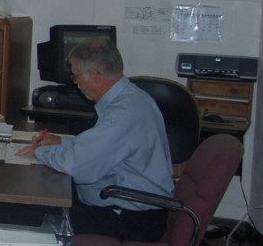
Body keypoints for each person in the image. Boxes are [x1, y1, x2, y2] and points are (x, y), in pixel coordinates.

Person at [17, 38, 173, 241]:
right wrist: (61, 142)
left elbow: (78, 167)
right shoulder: (133, 98)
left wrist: (39, 151)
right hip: (129, 207)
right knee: (42, 203)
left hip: (131, 217)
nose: (76, 83)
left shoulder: (122, 114)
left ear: (95, 74)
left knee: (34, 216)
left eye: (76, 76)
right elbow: (101, 148)